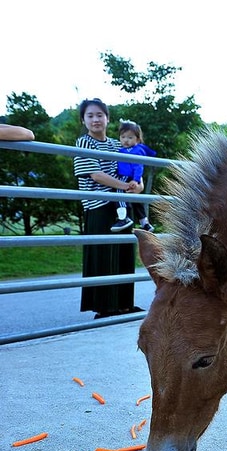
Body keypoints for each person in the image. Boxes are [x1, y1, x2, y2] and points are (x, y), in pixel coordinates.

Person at [73, 98, 143, 318]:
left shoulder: (116, 144)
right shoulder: (84, 143)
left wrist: (137, 185)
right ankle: (104, 306)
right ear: (83, 120)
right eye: (90, 115)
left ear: (107, 118)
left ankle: (124, 303)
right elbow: (96, 175)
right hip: (99, 204)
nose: (95, 119)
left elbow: (133, 167)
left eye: (100, 115)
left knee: (124, 252)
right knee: (103, 253)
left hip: (121, 204)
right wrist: (124, 186)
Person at [114, 120, 156, 232]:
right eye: (123, 137)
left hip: (127, 177)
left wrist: (136, 180)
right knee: (137, 201)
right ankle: (145, 223)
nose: (126, 140)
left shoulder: (136, 151)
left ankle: (123, 218)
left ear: (137, 139)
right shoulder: (122, 150)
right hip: (131, 178)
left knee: (119, 193)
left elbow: (139, 167)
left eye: (130, 137)